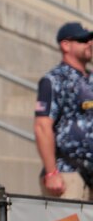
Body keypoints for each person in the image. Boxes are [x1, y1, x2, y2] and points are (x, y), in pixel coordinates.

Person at [35, 22, 93, 199]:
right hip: (68, 175)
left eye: (90, 39)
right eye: (82, 40)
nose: (89, 43)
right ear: (66, 45)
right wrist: (52, 173)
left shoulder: (89, 80)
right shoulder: (54, 80)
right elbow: (42, 127)